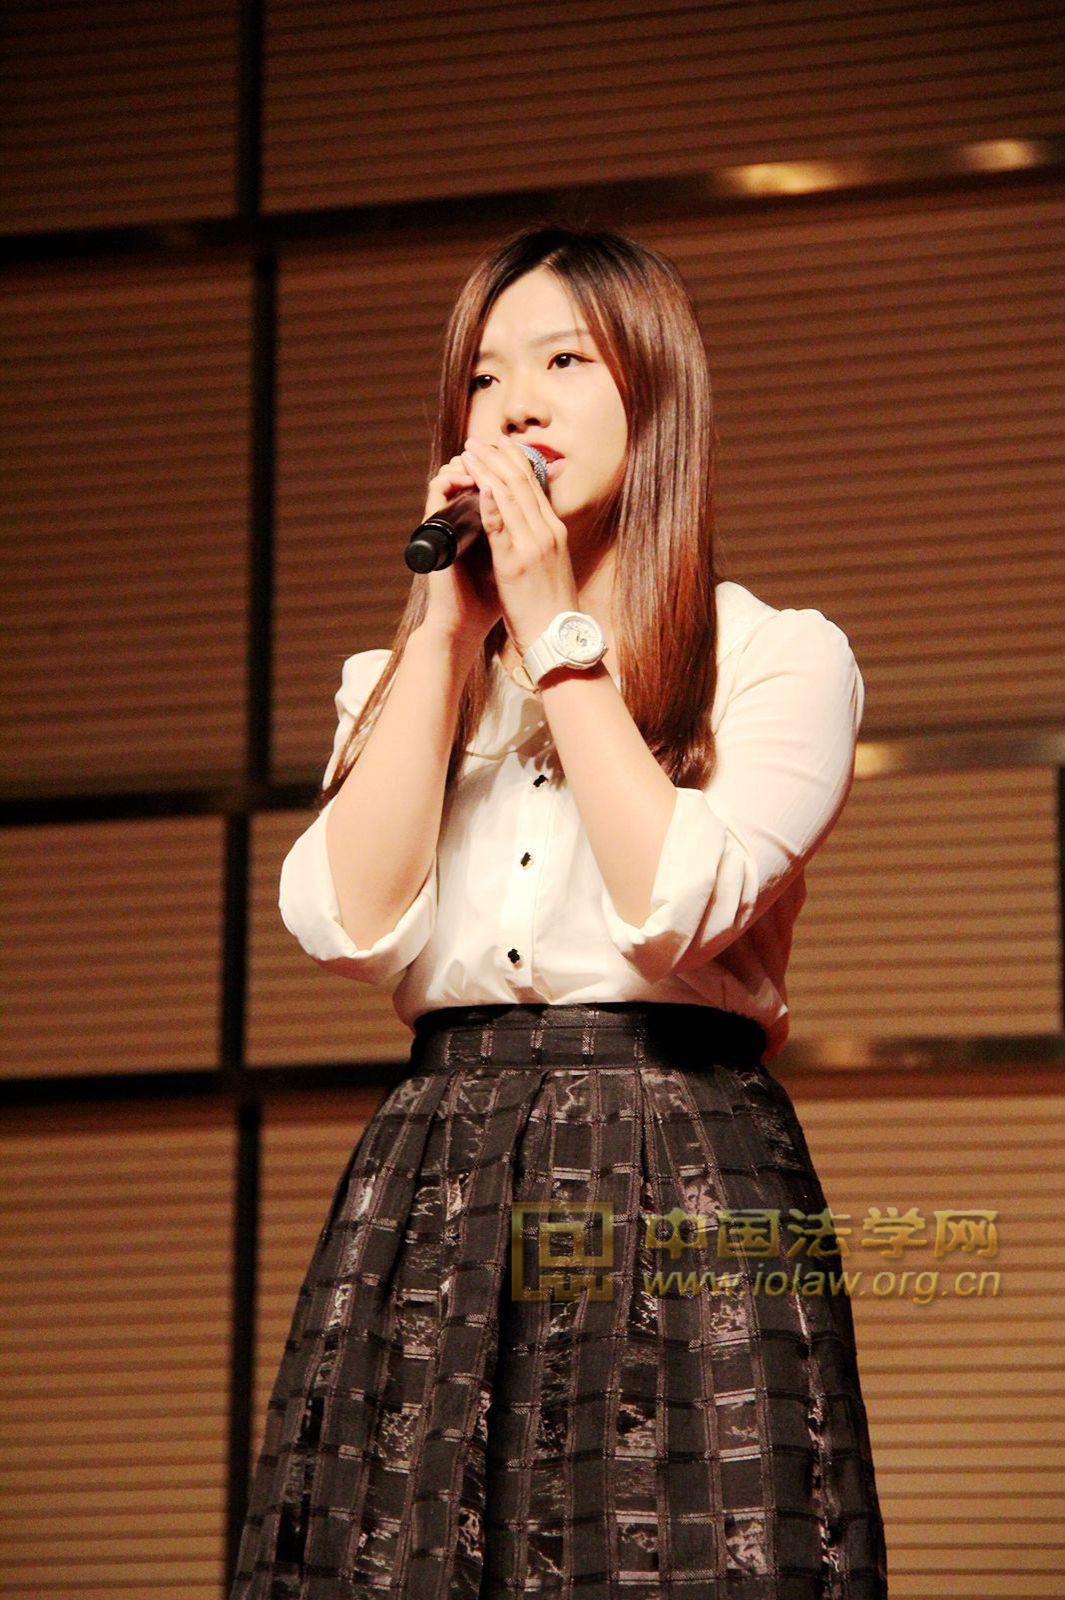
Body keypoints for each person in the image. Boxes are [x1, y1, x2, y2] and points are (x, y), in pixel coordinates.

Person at [229, 224, 888, 1599]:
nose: (514, 405)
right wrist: (447, 634)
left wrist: (558, 637)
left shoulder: (775, 657)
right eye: (483, 378)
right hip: (442, 1163)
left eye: (563, 362)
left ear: (655, 398)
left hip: (678, 1153)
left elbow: (673, 905)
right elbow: (347, 921)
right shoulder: (405, 675)